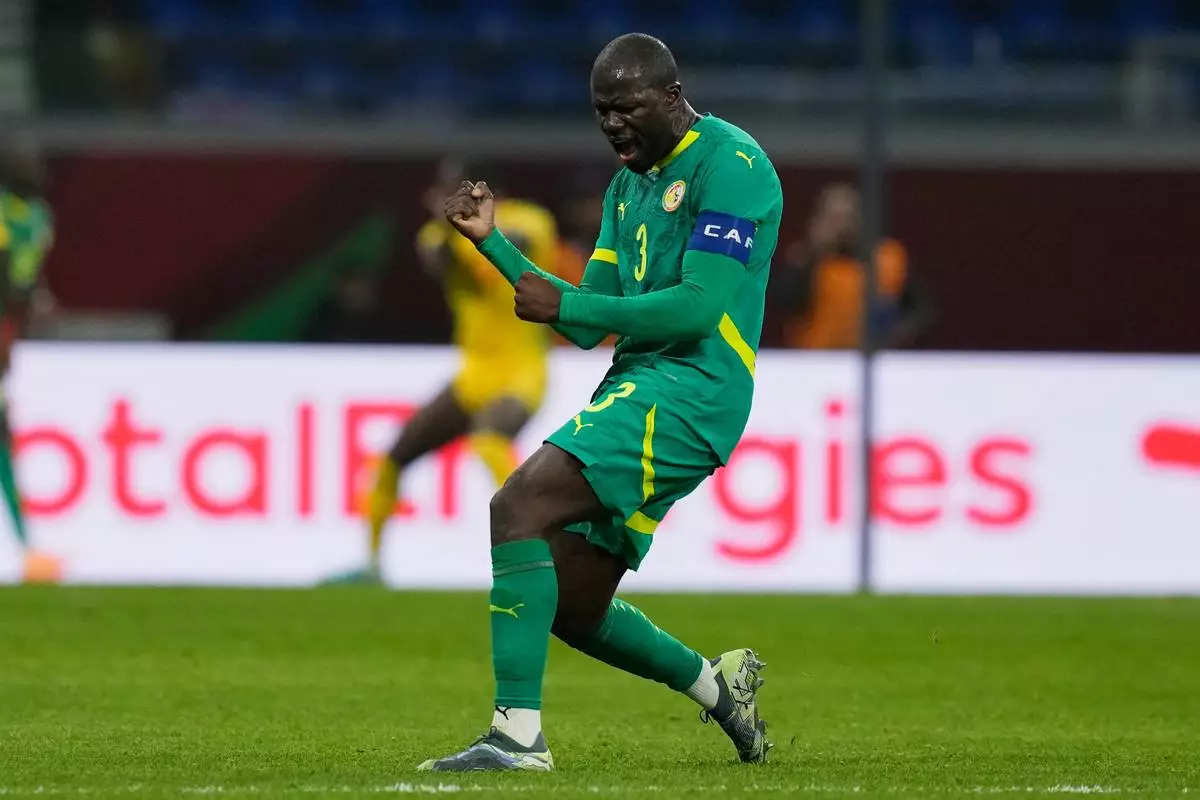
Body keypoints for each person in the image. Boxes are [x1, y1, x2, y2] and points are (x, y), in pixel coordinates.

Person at [417, 33, 783, 772]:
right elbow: (589, 315)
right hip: (638, 385)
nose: (612, 124)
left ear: (671, 98)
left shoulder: (734, 166)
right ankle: (721, 689)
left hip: (694, 387)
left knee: (516, 507)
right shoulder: (628, 187)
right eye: (600, 111)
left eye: (626, 108)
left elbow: (695, 309)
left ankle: (516, 736)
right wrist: (494, 246)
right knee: (575, 606)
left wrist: (564, 302)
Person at [345, 159, 562, 583]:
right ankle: (371, 567)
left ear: (488, 191)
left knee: (488, 441)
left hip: (521, 374)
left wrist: (473, 229)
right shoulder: (438, 235)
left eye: (458, 190)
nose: (451, 200)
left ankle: (540, 553)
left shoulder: (530, 221)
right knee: (393, 459)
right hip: (472, 378)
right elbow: (441, 259)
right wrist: (451, 228)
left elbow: (515, 249)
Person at [766, 183, 935, 350]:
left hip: (871, 361)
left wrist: (893, 333)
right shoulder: (805, 260)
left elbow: (922, 310)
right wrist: (812, 256)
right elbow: (781, 302)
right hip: (815, 365)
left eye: (848, 217)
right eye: (834, 219)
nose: (842, 227)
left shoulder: (887, 260)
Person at [0, 137, 60, 583]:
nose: (35, 170)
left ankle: (28, 548)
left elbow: (26, 274)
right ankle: (27, 547)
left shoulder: (39, 218)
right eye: (25, 163)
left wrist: (35, 299)